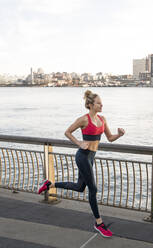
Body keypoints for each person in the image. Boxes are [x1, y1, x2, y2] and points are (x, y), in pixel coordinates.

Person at [38, 90, 125, 238]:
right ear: (91, 105)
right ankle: (99, 223)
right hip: (82, 157)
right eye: (98, 103)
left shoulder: (103, 119)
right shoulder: (83, 120)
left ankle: (49, 184)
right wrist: (79, 142)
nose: (102, 104)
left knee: (80, 187)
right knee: (93, 189)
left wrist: (120, 134)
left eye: (101, 102)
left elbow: (110, 138)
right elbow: (67, 132)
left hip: (91, 157)